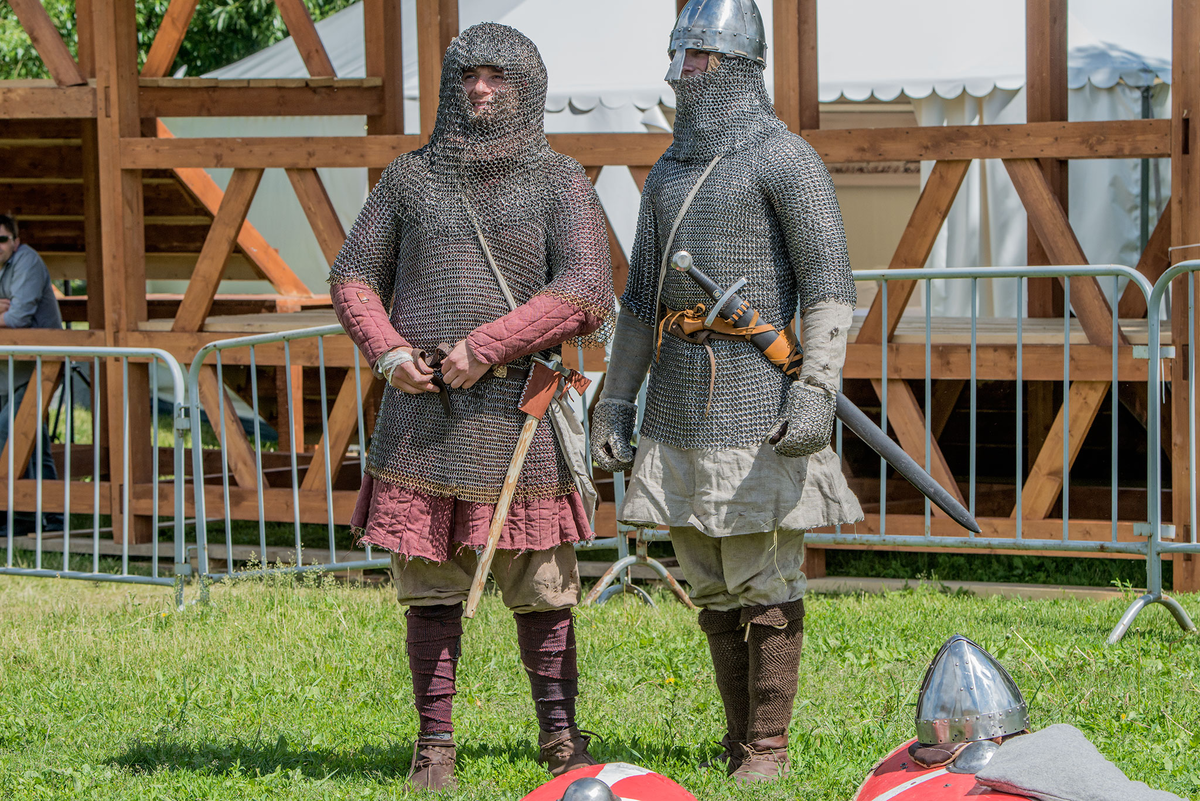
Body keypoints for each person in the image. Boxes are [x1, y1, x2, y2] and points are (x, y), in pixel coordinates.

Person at [329, 23, 614, 793]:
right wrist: (390, 349)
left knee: (545, 589)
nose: (480, 89)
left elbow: (588, 290)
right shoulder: (409, 179)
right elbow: (353, 276)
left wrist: (489, 343)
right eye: (468, 77)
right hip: (423, 419)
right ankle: (435, 745)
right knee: (429, 589)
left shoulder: (559, 183)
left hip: (521, 413)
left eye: (497, 77)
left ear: (526, 88)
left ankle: (562, 737)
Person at [590, 0, 862, 785]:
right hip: (680, 404)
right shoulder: (670, 170)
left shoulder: (785, 159)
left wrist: (815, 391)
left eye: (698, 58)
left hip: (756, 395)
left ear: (737, 65)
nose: (681, 73)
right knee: (707, 576)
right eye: (679, 56)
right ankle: (737, 737)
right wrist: (616, 403)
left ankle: (768, 746)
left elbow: (827, 286)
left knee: (760, 568)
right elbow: (641, 304)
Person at [0, 214, 64, 533]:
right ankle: (38, 516)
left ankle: (26, 515)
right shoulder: (8, 263)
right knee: (30, 437)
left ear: (16, 241)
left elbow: (16, 319)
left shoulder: (28, 262)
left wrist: (9, 310)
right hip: (10, 368)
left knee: (11, 427)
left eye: (1, 239)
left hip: (41, 365)